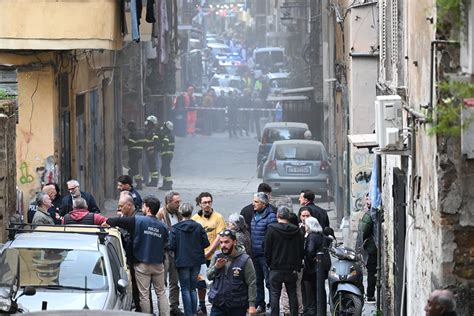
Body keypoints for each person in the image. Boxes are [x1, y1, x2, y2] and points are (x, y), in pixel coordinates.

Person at [104, 196, 170, 315]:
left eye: (144, 205)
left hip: (142, 263)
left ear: (148, 208)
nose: (142, 208)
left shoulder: (138, 220)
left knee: (143, 295)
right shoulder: (163, 226)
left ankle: (146, 315)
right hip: (158, 264)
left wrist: (107, 222)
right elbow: (166, 244)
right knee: (161, 293)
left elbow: (119, 221)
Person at [169, 202, 210, 316]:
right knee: (193, 288)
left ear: (180, 213)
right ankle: (193, 312)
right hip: (196, 261)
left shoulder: (176, 228)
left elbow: (171, 246)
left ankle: (188, 313)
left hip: (182, 261)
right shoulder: (198, 226)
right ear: (191, 212)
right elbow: (206, 243)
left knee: (185, 288)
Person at [207, 229, 257, 316]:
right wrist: (216, 267)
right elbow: (208, 276)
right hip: (218, 305)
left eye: (226, 242)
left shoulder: (245, 259)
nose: (223, 245)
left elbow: (252, 283)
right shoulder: (216, 256)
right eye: (221, 242)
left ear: (234, 242)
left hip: (237, 306)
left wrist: (252, 305)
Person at [264, 206, 304, 316]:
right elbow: (300, 250)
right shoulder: (296, 230)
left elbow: (267, 249)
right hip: (291, 268)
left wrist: (269, 263)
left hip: (276, 267)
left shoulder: (272, 229)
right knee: (292, 294)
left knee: (275, 294)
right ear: (289, 217)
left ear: (278, 216)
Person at [192, 192, 227, 315]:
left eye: (209, 202)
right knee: (200, 282)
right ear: (200, 204)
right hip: (199, 257)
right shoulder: (195, 219)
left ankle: (215, 305)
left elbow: (219, 238)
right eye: (204, 202)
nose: (207, 205)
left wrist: (209, 252)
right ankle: (202, 305)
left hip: (214, 257)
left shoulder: (218, 217)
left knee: (215, 282)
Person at [116, 192, 146, 312]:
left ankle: (142, 310)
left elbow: (133, 238)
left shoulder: (138, 218)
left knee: (140, 288)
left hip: (138, 259)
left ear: (129, 205)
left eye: (121, 205)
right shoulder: (126, 217)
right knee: (134, 287)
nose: (119, 208)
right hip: (130, 258)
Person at [250, 192, 277, 313]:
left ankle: (272, 304)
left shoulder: (271, 216)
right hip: (255, 254)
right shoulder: (255, 214)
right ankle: (260, 303)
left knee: (269, 282)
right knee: (257, 281)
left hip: (265, 256)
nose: (253, 204)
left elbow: (271, 237)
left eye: (256, 202)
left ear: (264, 204)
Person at [157, 191, 183, 316]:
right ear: (168, 202)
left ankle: (174, 306)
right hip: (164, 251)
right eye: (176, 202)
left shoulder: (179, 215)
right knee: (161, 282)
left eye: (179, 201)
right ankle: (163, 308)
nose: (179, 204)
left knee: (174, 280)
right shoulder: (161, 214)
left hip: (175, 251)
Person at [302, 217, 331, 315]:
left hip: (313, 268)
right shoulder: (321, 235)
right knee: (320, 289)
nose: (305, 227)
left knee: (310, 290)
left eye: (306, 224)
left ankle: (312, 311)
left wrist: (307, 259)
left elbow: (310, 251)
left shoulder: (312, 236)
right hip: (322, 267)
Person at [356, 193, 377, 303]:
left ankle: (370, 295)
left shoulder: (368, 215)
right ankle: (370, 294)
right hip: (374, 247)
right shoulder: (373, 214)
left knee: (372, 272)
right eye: (367, 199)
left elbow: (362, 233)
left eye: (369, 199)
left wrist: (360, 247)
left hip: (372, 248)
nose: (367, 201)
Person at [123, 120, 144, 189]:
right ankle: (129, 182)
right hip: (138, 153)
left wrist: (125, 139)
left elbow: (130, 143)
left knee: (135, 169)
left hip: (134, 153)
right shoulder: (140, 133)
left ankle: (139, 184)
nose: (129, 128)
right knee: (132, 168)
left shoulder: (133, 134)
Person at [142, 115, 160, 187]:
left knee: (154, 167)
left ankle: (154, 182)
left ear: (151, 123)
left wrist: (152, 149)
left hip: (152, 152)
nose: (147, 124)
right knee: (151, 166)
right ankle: (152, 181)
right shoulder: (149, 131)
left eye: (149, 122)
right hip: (148, 151)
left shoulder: (153, 132)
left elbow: (156, 143)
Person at [159, 121, 175, 190]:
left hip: (166, 155)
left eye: (164, 127)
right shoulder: (170, 135)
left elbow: (164, 145)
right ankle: (166, 184)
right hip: (167, 154)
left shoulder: (167, 136)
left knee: (166, 169)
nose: (163, 129)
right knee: (165, 169)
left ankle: (168, 185)